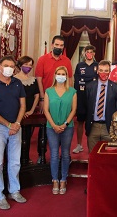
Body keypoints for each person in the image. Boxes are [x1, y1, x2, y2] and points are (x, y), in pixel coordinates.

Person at [0, 55, 26, 210]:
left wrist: (16, 124)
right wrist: (9, 125)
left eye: (12, 66)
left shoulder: (18, 83)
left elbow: (23, 106)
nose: (9, 68)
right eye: (6, 65)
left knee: (15, 162)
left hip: (16, 126)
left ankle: (14, 190)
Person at [35, 35, 73, 162]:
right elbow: (39, 79)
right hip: (47, 98)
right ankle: (41, 154)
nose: (59, 47)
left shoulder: (67, 61)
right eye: (56, 45)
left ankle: (63, 156)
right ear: (52, 45)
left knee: (63, 127)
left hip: (63, 98)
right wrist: (41, 98)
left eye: (61, 46)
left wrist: (71, 97)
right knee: (44, 128)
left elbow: (70, 80)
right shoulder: (42, 59)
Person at [43, 66, 77, 195]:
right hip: (51, 127)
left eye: (63, 74)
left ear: (66, 76)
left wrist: (65, 124)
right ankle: (55, 179)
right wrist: (54, 125)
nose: (61, 76)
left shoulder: (72, 91)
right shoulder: (49, 91)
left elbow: (74, 110)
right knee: (54, 154)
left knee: (65, 153)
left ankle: (63, 178)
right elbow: (46, 110)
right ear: (55, 75)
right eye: (59, 73)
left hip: (67, 127)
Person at [83, 60, 117, 152]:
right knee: (92, 156)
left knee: (107, 157)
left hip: (108, 128)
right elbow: (86, 106)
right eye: (101, 70)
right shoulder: (89, 87)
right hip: (93, 127)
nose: (103, 73)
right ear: (97, 71)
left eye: (106, 71)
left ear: (109, 72)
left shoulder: (116, 88)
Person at [14, 56, 40, 165]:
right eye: (26, 64)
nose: (28, 67)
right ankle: (16, 158)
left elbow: (37, 96)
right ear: (20, 65)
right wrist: (21, 111)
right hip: (17, 113)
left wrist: (31, 110)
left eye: (30, 65)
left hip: (29, 113)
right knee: (17, 138)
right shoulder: (14, 79)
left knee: (27, 136)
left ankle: (26, 157)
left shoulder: (33, 80)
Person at [73, 45, 98, 154]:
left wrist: (87, 80)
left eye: (91, 52)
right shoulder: (79, 65)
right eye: (87, 52)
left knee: (92, 122)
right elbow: (77, 81)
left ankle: (92, 146)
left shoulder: (97, 65)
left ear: (94, 54)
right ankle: (79, 145)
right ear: (84, 53)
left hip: (94, 98)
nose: (89, 54)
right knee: (80, 122)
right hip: (81, 97)